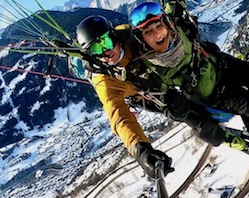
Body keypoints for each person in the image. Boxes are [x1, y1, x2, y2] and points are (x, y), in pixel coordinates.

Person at [129, 0, 249, 141]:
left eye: (158, 25)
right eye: (148, 32)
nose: (157, 34)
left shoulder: (177, 25)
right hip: (210, 94)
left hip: (217, 62)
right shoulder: (150, 69)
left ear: (166, 23)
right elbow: (162, 102)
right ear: (141, 39)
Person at [72, 14, 174, 179]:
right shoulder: (103, 80)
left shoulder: (130, 36)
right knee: (174, 108)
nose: (105, 53)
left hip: (149, 75)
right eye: (96, 50)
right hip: (137, 93)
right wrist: (142, 151)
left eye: (105, 42)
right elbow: (119, 117)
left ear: (114, 37)